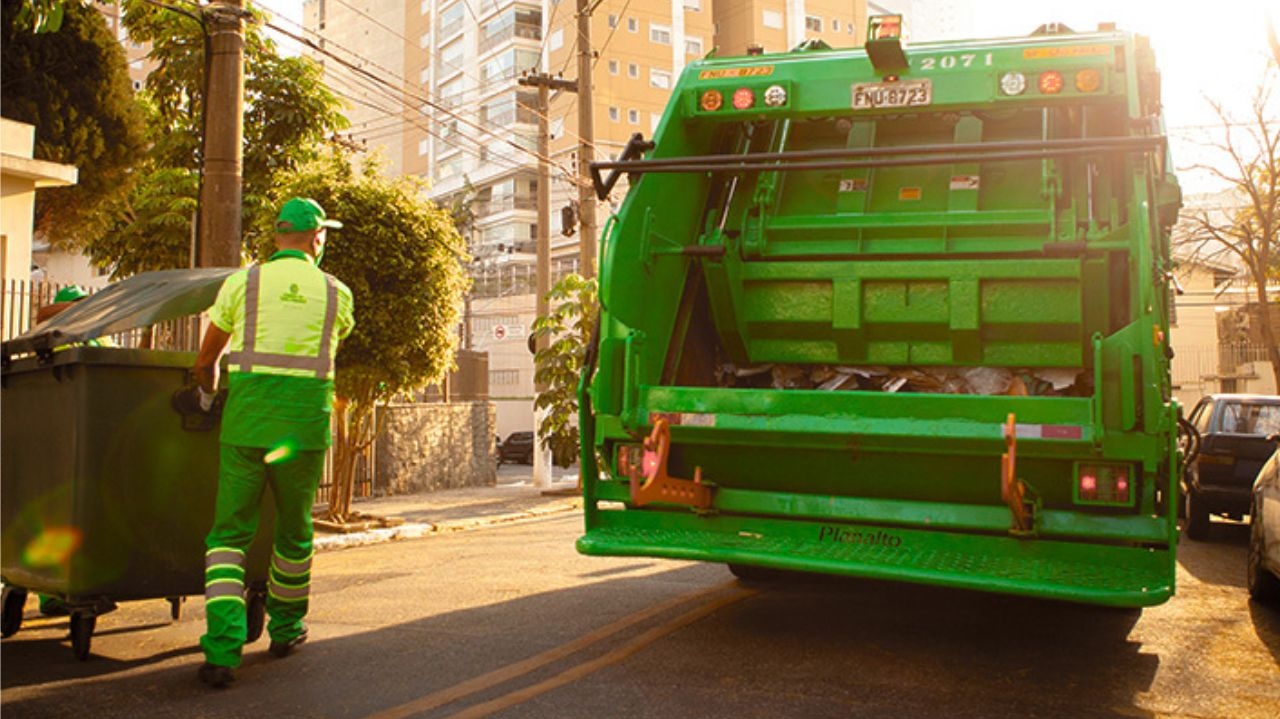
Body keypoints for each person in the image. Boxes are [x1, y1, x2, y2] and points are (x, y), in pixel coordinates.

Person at [188, 197, 354, 688]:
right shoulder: (336, 293)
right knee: (294, 533)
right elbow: (328, 347)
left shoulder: (242, 283)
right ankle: (285, 628)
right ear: (317, 238)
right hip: (300, 431)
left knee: (228, 538)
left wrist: (208, 393)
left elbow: (206, 360)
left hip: (246, 427)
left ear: (277, 235)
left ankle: (222, 650)